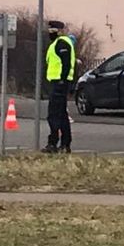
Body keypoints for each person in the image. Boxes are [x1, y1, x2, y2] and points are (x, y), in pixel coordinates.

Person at [41, 19, 76, 154]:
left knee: (54, 115)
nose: (50, 33)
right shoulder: (56, 44)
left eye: (53, 31)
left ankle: (54, 143)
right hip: (57, 83)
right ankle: (64, 144)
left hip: (60, 84)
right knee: (61, 115)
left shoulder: (62, 43)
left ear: (59, 32)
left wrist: (62, 80)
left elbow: (66, 64)